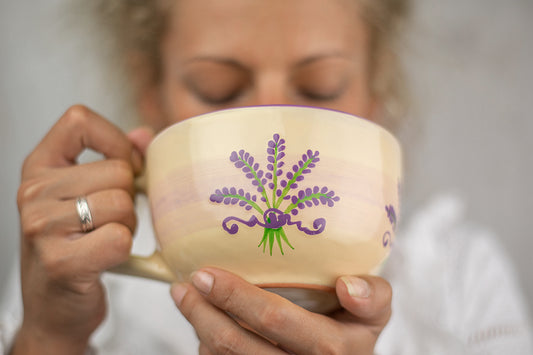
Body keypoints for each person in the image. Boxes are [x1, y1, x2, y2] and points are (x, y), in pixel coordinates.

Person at [1, 0, 532, 354]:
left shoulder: (461, 279)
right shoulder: (79, 266)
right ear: (152, 96)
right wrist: (50, 336)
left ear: (375, 99)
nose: (273, 115)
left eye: (322, 88)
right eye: (217, 89)